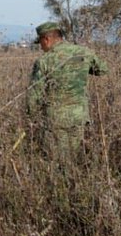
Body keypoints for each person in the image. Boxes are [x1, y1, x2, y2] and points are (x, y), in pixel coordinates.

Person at [26, 21, 108, 157]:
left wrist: (32, 118)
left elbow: (34, 95)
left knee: (55, 160)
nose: (41, 47)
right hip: (79, 116)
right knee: (74, 156)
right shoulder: (84, 52)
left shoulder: (44, 61)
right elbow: (103, 70)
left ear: (47, 39)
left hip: (55, 119)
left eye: (40, 42)